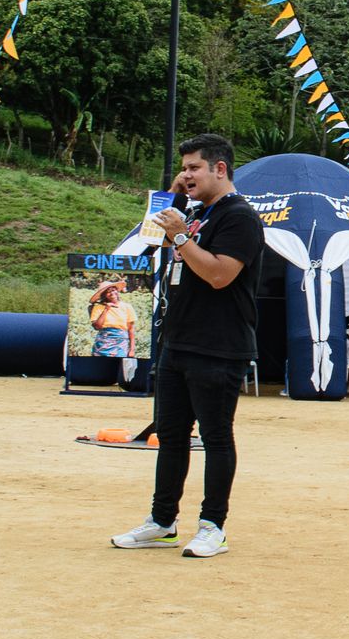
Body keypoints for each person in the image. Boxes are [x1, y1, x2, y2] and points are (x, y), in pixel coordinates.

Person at [112, 134, 264, 559]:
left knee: (216, 437)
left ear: (220, 169)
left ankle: (213, 526)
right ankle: (162, 522)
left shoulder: (241, 218)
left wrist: (182, 239)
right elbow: (154, 240)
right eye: (183, 168)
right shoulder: (195, 214)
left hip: (219, 344)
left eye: (194, 167)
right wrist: (176, 203)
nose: (185, 174)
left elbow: (219, 275)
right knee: (171, 436)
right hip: (178, 340)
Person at [88, 280, 135, 357]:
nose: (112, 293)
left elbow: (131, 329)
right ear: (104, 295)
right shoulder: (98, 307)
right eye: (108, 292)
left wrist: (132, 349)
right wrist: (106, 309)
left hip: (121, 343)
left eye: (113, 290)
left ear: (117, 291)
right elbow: (97, 326)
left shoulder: (127, 307)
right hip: (102, 344)